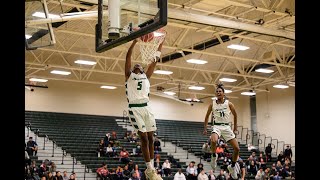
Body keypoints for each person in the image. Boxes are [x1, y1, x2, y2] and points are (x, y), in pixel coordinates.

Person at [125, 36, 165, 180]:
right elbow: (128, 57)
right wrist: (134, 42)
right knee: (143, 137)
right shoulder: (129, 76)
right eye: (135, 65)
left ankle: (151, 169)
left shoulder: (146, 76)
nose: (137, 65)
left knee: (151, 138)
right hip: (134, 108)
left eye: (140, 66)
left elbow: (154, 60)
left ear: (142, 70)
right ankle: (149, 168)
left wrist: (161, 44)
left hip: (147, 107)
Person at [203, 83, 240, 179]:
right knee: (214, 140)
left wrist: (235, 127)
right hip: (217, 126)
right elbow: (207, 116)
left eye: (220, 91)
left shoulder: (229, 104)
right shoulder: (212, 104)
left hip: (227, 127)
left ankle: (232, 166)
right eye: (217, 91)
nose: (218, 92)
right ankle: (213, 156)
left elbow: (235, 115)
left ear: (224, 93)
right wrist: (205, 128)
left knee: (237, 148)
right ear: (216, 94)